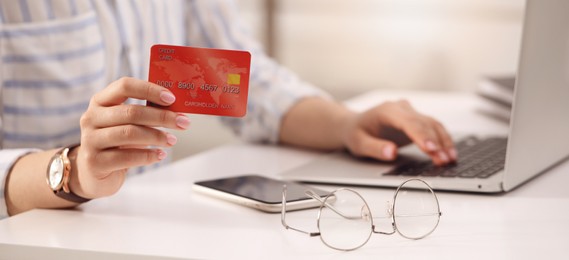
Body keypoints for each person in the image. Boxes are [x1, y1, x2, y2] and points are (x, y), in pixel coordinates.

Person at [0, 0, 456, 219]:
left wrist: (347, 123)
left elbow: (242, 81)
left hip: (156, 226)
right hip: (37, 233)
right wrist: (71, 171)